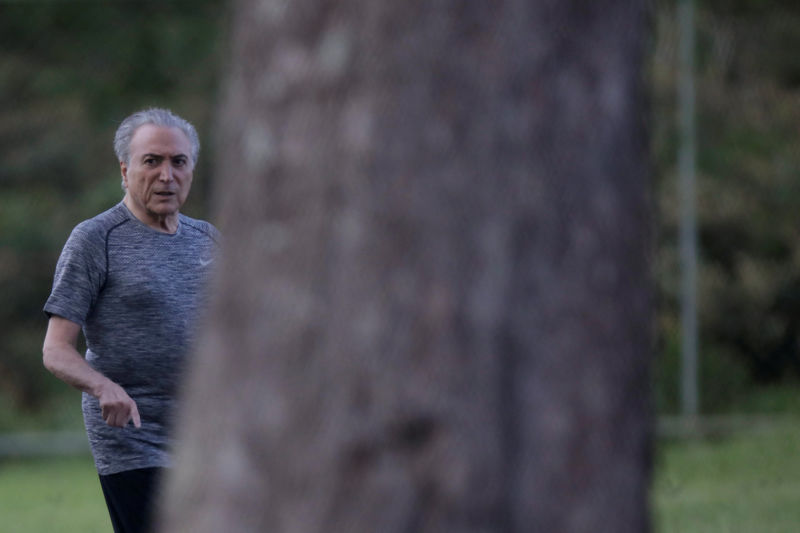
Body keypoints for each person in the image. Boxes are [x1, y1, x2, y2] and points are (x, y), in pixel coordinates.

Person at [42, 108, 219, 533]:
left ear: (192, 169)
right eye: (151, 161)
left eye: (178, 162)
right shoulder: (95, 239)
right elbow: (55, 349)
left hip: (206, 432)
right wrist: (102, 386)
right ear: (125, 169)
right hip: (133, 435)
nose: (166, 175)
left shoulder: (209, 239)